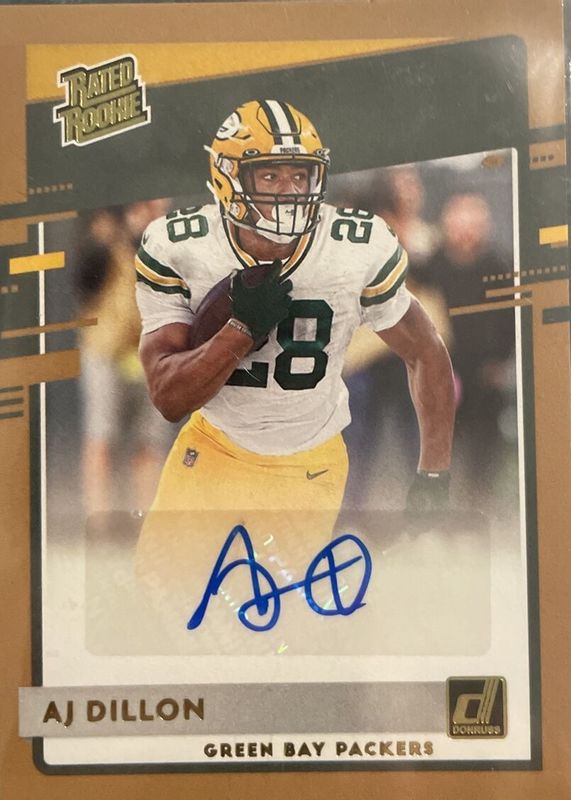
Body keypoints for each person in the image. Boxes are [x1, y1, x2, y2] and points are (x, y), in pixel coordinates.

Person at [133, 100, 455, 649]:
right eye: (270, 176)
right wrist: (240, 331)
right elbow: (168, 396)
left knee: (265, 623)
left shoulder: (355, 247)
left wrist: (433, 475)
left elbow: (426, 353)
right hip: (214, 446)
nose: (289, 190)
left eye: (300, 175)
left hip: (308, 460)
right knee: (156, 602)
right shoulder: (180, 245)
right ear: (228, 178)